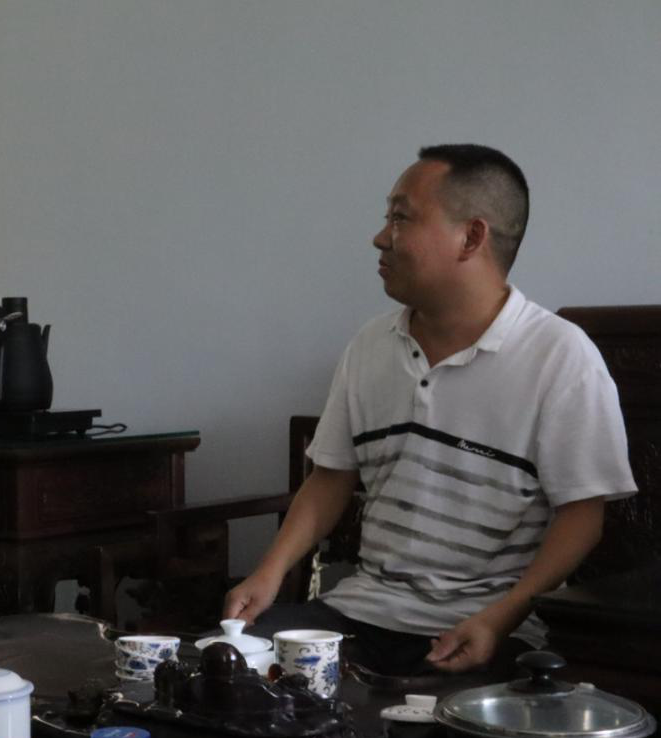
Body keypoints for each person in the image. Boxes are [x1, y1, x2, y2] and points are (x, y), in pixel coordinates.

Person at [224, 144, 636, 676]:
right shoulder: (371, 345)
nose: (381, 237)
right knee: (224, 668)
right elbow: (330, 478)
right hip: (360, 612)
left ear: (472, 237)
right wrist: (269, 573)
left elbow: (582, 516)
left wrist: (502, 617)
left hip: (484, 629)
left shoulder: (560, 355)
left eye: (401, 218)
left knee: (441, 719)